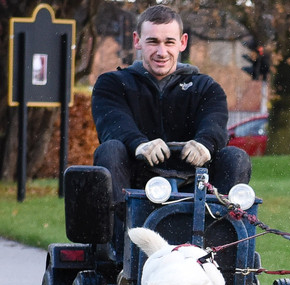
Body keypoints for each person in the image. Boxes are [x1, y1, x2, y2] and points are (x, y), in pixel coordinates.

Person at [91, 4, 250, 208]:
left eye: (169, 42)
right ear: (137, 41)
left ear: (182, 42)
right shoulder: (113, 84)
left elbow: (215, 124)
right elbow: (113, 123)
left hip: (196, 185)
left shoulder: (206, 88)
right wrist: (139, 144)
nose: (161, 52)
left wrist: (204, 143)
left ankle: (221, 232)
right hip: (134, 184)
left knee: (235, 157)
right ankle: (121, 234)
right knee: (110, 149)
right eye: (153, 42)